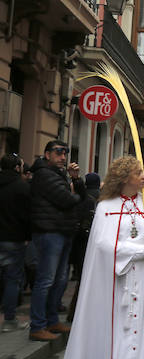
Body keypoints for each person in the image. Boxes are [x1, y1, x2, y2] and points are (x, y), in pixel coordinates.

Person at [51, 156, 144, 359]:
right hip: (117, 279)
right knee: (120, 328)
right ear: (125, 177)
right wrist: (139, 251)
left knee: (143, 327)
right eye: (139, 173)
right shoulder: (106, 206)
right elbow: (102, 244)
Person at [29, 140, 86, 341]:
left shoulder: (58, 175)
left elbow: (80, 198)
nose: (63, 157)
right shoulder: (44, 174)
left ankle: (52, 320)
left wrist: (76, 181)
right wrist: (73, 195)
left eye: (65, 153)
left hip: (62, 231)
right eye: (58, 152)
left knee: (59, 279)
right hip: (49, 231)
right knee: (46, 280)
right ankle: (37, 325)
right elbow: (67, 200)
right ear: (47, 155)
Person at [0, 154, 30, 332]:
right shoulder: (22, 187)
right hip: (13, 238)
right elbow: (26, 216)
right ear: (17, 168)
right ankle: (9, 320)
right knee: (12, 279)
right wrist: (27, 237)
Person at [66, 172, 100, 322]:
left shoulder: (83, 197)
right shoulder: (101, 198)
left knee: (82, 279)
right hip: (90, 242)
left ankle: (75, 313)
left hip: (80, 241)